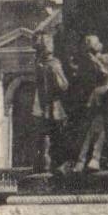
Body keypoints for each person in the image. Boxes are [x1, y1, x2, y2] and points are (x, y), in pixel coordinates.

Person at [74, 34, 108, 173]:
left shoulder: (86, 61)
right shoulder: (101, 59)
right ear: (95, 47)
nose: (101, 43)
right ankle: (93, 159)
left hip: (97, 94)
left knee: (93, 127)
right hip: (107, 92)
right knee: (101, 126)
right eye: (98, 42)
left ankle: (83, 159)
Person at [31, 31, 69, 173]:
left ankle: (44, 163)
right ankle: (58, 163)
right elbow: (63, 85)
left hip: (42, 105)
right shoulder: (54, 65)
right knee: (59, 134)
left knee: (45, 135)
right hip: (55, 104)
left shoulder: (38, 64)